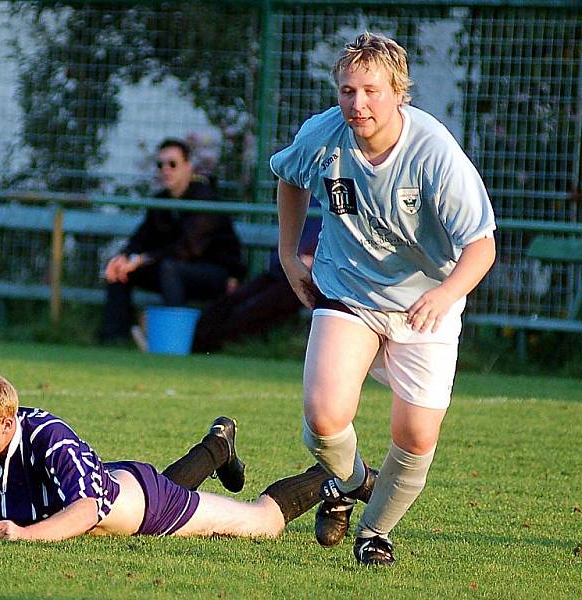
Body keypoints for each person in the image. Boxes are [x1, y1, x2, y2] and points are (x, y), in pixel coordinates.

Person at [270, 32, 496, 566]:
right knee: (324, 415)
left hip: (426, 301)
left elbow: (482, 246)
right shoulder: (325, 135)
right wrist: (287, 254)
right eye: (347, 90)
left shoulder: (434, 154)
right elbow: (289, 177)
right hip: (349, 288)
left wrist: (446, 293)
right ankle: (351, 482)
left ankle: (375, 531)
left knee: (415, 435)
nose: (357, 103)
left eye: (370, 90)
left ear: (399, 93)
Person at [0, 368, 329, 541]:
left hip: (147, 507)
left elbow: (85, 510)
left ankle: (335, 474)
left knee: (262, 522)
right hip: (125, 485)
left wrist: (28, 535)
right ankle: (217, 446)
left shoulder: (48, 435)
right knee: (166, 483)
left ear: (7, 423)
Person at [99, 139, 246, 344]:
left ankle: (175, 342)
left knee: (170, 268)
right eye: (161, 165)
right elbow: (141, 238)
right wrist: (123, 258)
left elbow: (189, 248)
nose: (166, 170)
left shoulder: (205, 200)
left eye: (172, 164)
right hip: (172, 269)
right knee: (119, 271)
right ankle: (115, 338)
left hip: (216, 274)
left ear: (188, 167)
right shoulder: (160, 201)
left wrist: (142, 259)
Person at [192, 216, 320, 354]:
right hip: (283, 271)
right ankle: (198, 340)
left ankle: (213, 344)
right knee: (231, 301)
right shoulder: (310, 200)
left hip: (307, 280)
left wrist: (311, 259)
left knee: (255, 307)